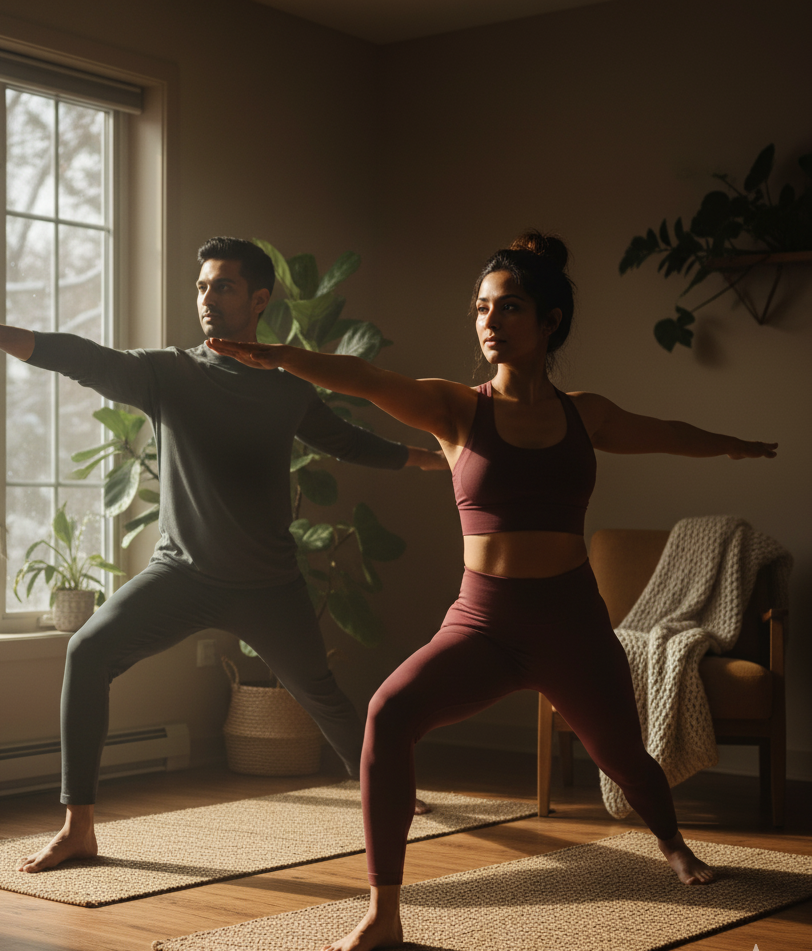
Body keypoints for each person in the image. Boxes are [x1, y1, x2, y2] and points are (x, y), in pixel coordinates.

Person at [207, 231, 778, 951]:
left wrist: (731, 444)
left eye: (509, 308)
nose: (490, 322)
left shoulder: (584, 415)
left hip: (570, 622)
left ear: (550, 322)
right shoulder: (455, 410)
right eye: (481, 308)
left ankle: (674, 845)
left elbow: (661, 430)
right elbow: (367, 378)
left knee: (627, 756)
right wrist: (284, 356)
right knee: (387, 712)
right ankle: (385, 909)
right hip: (482, 621)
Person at [0, 237, 445, 873]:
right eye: (201, 287)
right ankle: (77, 828)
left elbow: (344, 440)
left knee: (323, 696)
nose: (207, 298)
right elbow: (86, 359)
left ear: (258, 299)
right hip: (182, 573)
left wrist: (423, 458)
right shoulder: (170, 373)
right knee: (86, 653)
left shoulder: (288, 389)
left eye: (221, 287)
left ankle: (387, 793)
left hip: (268, 584)